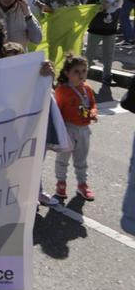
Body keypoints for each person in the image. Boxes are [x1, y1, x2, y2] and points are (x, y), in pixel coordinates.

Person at [54, 55, 98, 201]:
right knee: (62, 159)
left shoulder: (87, 88)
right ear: (67, 73)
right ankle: (61, 182)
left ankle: (82, 185)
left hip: (84, 130)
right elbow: (56, 112)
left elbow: (92, 104)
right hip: (68, 129)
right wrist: (58, 132)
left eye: (84, 71)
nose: (81, 75)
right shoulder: (62, 90)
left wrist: (92, 112)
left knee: (81, 159)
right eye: (76, 72)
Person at [85, 0, 127, 86]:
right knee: (89, 55)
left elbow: (123, 1)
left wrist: (116, 2)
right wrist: (100, 7)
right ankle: (82, 77)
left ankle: (107, 77)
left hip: (111, 29)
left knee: (108, 55)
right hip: (95, 28)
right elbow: (88, 10)